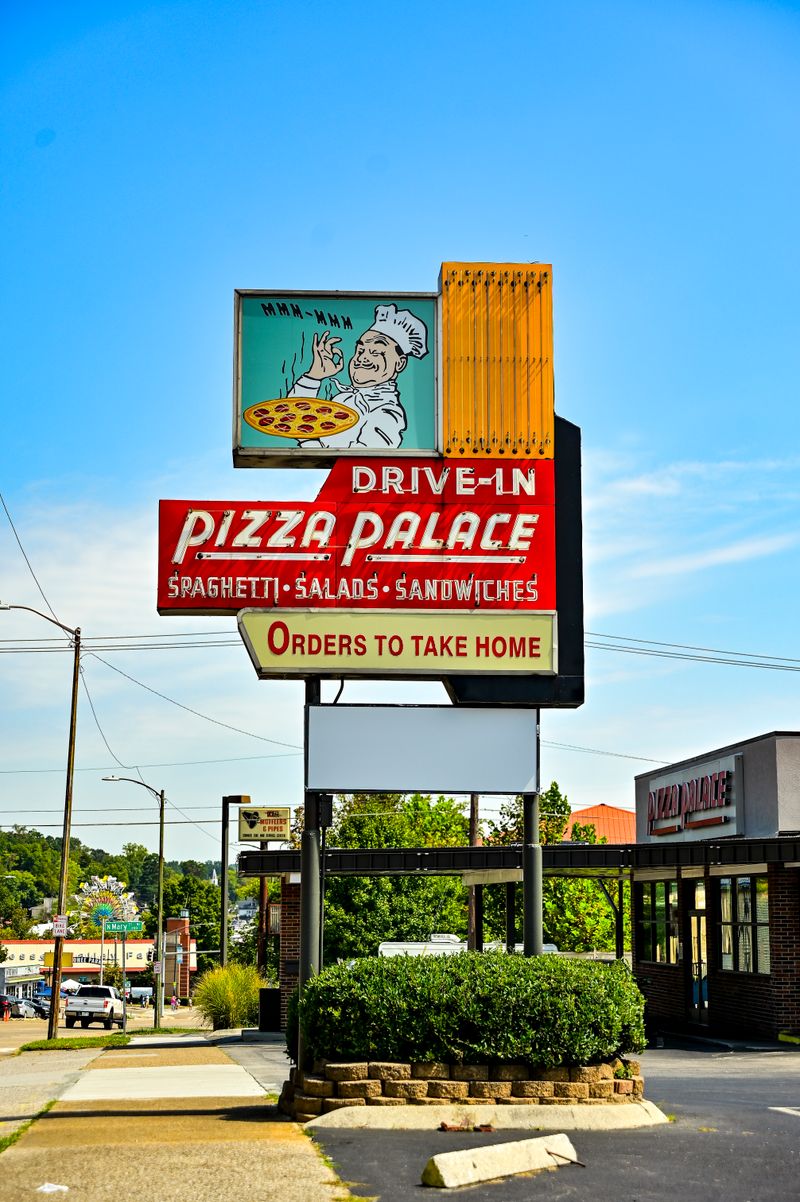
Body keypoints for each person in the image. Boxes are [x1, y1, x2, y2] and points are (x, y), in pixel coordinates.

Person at [290, 303, 429, 449]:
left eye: (376, 352)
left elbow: (361, 462)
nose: (362, 358)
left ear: (400, 364)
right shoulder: (343, 399)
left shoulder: (386, 412)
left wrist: (307, 441)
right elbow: (291, 414)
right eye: (360, 350)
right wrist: (314, 375)